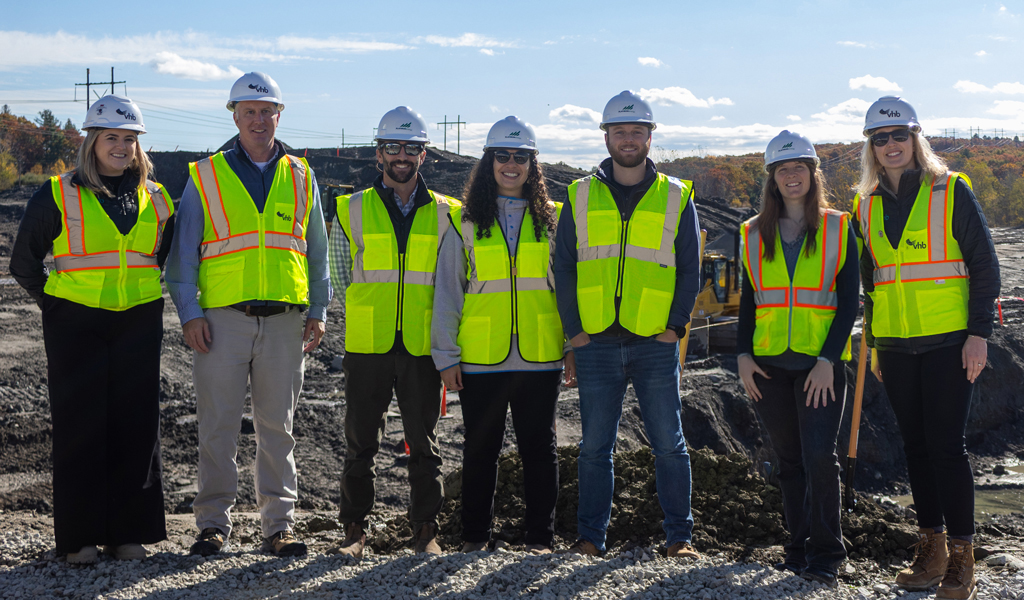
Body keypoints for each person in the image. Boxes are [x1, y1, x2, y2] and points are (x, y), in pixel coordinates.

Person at [166, 72, 331, 558]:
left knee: (277, 427)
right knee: (217, 426)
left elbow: (316, 250)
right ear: (233, 114)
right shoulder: (206, 175)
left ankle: (277, 526)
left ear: (280, 115)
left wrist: (318, 308)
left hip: (284, 321)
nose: (259, 120)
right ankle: (213, 524)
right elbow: (182, 259)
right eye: (249, 111)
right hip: (221, 321)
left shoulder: (302, 176)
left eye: (267, 111)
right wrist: (190, 313)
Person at [10, 95, 174, 564]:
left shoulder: (157, 198)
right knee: (81, 427)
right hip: (75, 326)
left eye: (129, 139)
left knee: (137, 427)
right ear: (92, 141)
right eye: (111, 138)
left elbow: (155, 259)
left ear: (139, 145)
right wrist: (58, 306)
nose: (121, 147)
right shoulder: (57, 193)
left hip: (138, 322)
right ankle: (79, 540)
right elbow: (24, 264)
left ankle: (128, 535)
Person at [854, 96, 999, 599]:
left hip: (948, 343)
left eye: (899, 136)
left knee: (946, 448)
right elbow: (870, 283)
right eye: (880, 138)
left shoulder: (951, 191)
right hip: (894, 346)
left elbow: (984, 267)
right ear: (871, 147)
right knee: (914, 448)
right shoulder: (865, 205)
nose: (891, 145)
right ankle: (930, 549)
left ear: (916, 138)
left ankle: (962, 557)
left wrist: (979, 334)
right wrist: (873, 345)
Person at [553, 91, 702, 558]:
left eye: (637, 130)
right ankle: (590, 539)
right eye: (620, 131)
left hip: (654, 340)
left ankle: (680, 538)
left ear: (650, 136)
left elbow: (689, 268)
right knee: (595, 447)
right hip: (595, 340)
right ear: (606, 136)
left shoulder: (677, 196)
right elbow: (565, 268)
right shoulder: (579, 195)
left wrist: (675, 327)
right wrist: (574, 332)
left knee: (669, 445)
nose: (629, 139)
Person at [431, 116, 576, 554]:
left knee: (540, 452)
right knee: (479, 451)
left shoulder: (554, 220)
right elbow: (448, 290)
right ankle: (474, 538)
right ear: (488, 162)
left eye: (520, 157)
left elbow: (568, 289)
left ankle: (541, 541)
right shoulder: (464, 221)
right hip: (481, 357)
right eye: (502, 156)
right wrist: (447, 356)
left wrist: (571, 346)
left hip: (540, 354)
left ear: (534, 165)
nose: (510, 165)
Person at [329, 107, 460, 558]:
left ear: (423, 155)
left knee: (424, 444)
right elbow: (343, 276)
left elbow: (453, 279)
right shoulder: (351, 209)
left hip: (423, 346)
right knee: (360, 442)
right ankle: (354, 531)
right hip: (369, 344)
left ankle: (426, 531)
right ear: (379, 153)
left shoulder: (450, 213)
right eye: (392, 148)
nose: (401, 156)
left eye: (410, 148)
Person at [736, 131, 858, 588]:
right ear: (772, 177)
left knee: (820, 457)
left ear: (812, 173)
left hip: (819, 367)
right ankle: (798, 545)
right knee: (789, 460)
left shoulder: (838, 226)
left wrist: (829, 358)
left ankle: (827, 552)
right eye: (783, 169)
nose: (792, 176)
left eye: (799, 168)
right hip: (767, 366)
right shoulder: (750, 232)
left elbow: (849, 302)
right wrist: (743, 356)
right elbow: (749, 301)